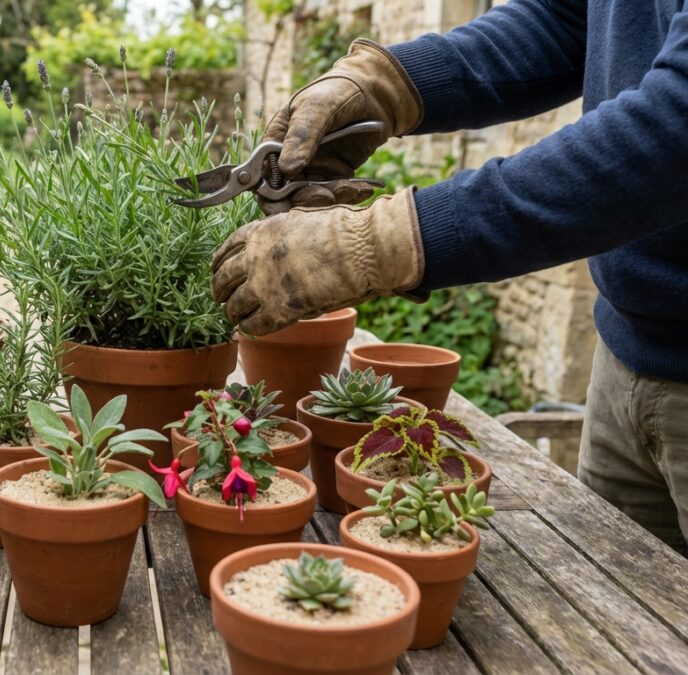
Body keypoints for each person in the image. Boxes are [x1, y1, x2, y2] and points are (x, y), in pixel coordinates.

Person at [212, 1, 688, 553]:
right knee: (622, 615)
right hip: (625, 356)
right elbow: (568, 20)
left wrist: (388, 241)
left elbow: (673, 131)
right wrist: (390, 81)